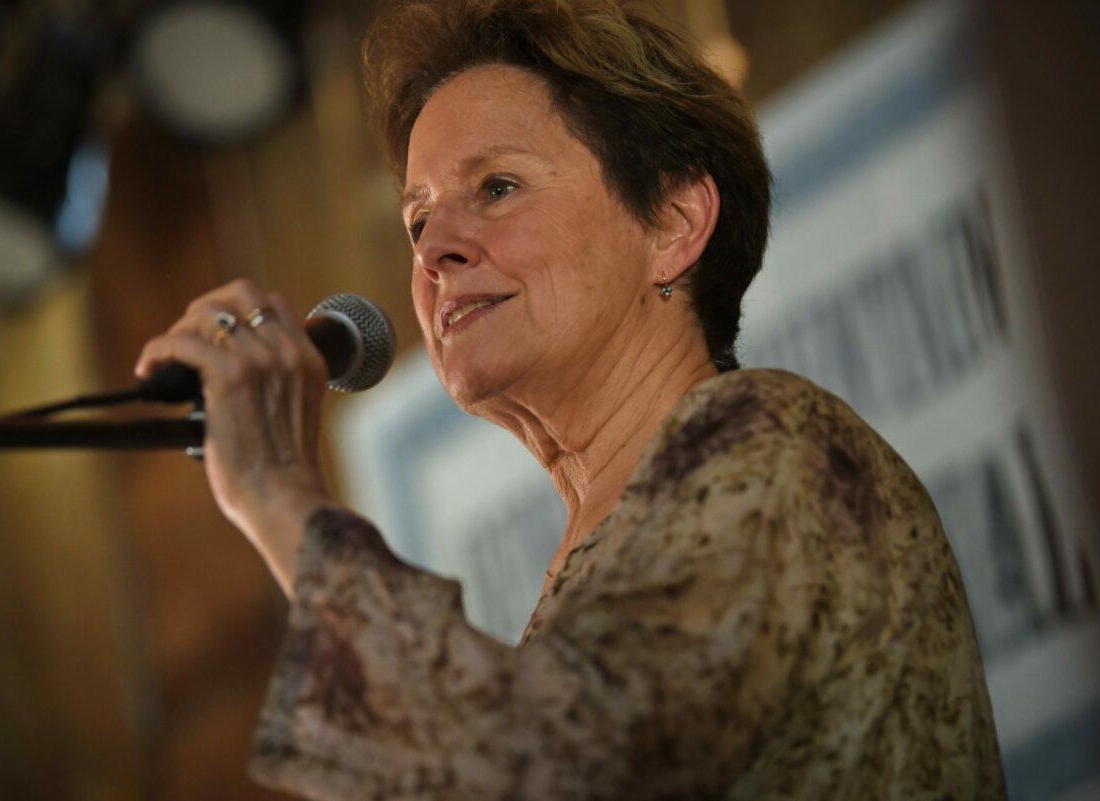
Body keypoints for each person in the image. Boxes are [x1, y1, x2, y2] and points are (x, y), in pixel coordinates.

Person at [135, 0, 1006, 797]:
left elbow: (551, 764)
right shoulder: (599, 566)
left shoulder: (775, 441)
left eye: (497, 188)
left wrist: (281, 490)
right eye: (416, 220)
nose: (435, 246)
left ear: (673, 221)